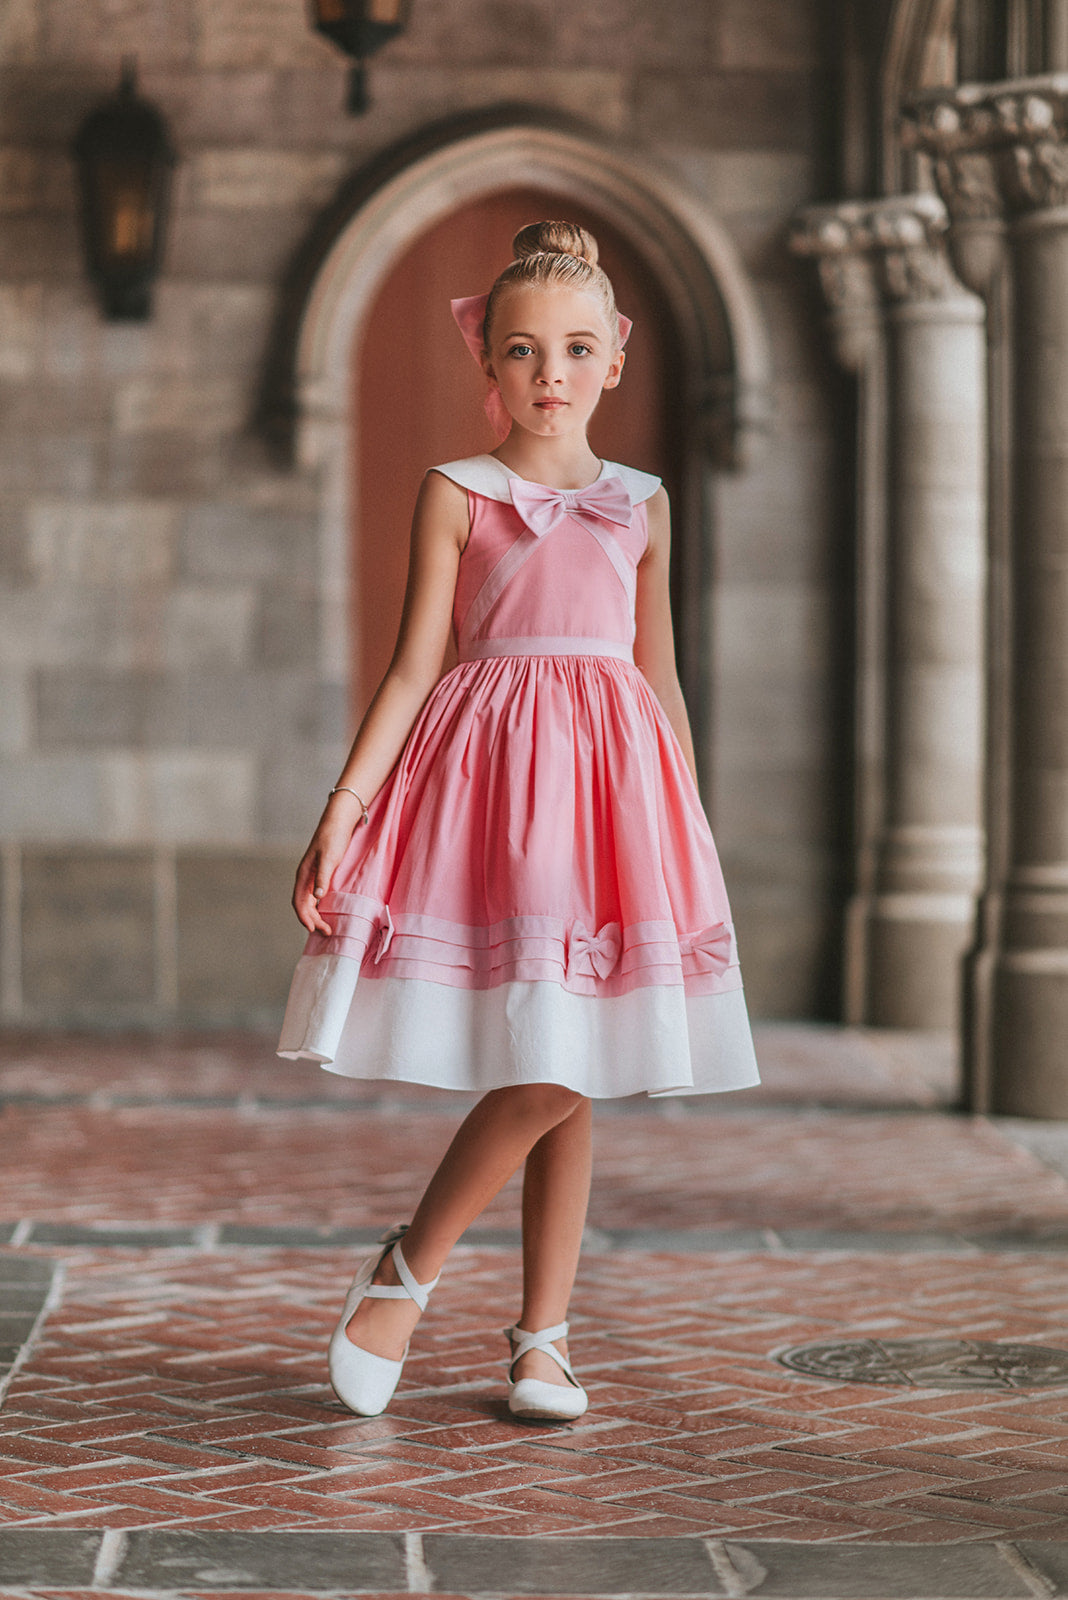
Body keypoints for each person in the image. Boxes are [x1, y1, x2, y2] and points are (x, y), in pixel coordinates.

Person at [278, 219, 760, 1424]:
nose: (552, 372)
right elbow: (406, 672)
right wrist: (343, 811)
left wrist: (686, 828)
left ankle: (537, 1336)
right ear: (485, 363)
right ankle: (413, 1271)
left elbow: (659, 678)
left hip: (617, 797)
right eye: (523, 349)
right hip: (494, 791)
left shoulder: (643, 505)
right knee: (558, 1055)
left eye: (577, 348)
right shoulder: (459, 494)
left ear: (615, 361)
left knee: (576, 1059)